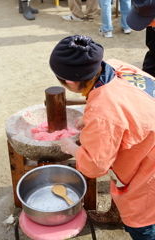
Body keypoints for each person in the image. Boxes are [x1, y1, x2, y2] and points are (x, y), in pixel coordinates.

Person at [49, 34, 155, 240]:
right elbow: (126, 107)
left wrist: (71, 147)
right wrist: (90, 117)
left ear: (70, 81)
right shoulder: (116, 67)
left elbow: (95, 167)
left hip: (148, 172)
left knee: (143, 226)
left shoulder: (103, 112)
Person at [126, 0, 155, 77]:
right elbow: (153, 52)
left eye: (149, 20)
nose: (147, 25)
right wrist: (146, 76)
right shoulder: (152, 27)